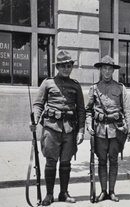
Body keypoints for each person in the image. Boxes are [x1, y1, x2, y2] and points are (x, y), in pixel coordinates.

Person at [29, 50, 85, 206]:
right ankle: (49, 194)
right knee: (51, 161)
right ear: (57, 67)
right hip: (51, 128)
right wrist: (35, 119)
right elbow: (38, 104)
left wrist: (81, 131)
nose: (66, 69)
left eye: (69, 66)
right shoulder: (47, 83)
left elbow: (81, 110)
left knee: (66, 162)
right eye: (63, 66)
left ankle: (64, 193)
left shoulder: (75, 86)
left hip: (69, 129)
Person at [85, 55, 130, 202]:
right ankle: (103, 191)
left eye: (110, 68)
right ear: (100, 69)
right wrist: (89, 124)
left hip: (116, 130)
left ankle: (112, 191)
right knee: (101, 161)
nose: (107, 71)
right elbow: (88, 110)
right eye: (104, 68)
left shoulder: (120, 88)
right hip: (99, 129)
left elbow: (127, 109)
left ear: (113, 70)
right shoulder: (94, 88)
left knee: (113, 160)